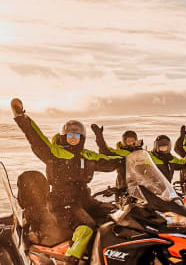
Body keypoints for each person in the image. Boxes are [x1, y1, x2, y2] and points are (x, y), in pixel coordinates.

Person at [11, 98, 124, 263]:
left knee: (116, 213)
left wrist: (129, 160)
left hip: (84, 200)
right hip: (62, 202)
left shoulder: (87, 156)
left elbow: (108, 161)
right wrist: (22, 118)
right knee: (86, 226)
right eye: (70, 134)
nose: (73, 138)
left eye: (76, 135)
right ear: (64, 136)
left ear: (82, 137)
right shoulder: (55, 153)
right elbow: (37, 139)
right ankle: (71, 258)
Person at [91, 124, 143, 192]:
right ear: (124, 142)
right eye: (128, 141)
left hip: (140, 185)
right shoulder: (119, 152)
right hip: (123, 186)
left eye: (132, 141)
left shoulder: (141, 152)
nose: (130, 143)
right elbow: (104, 150)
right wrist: (99, 136)